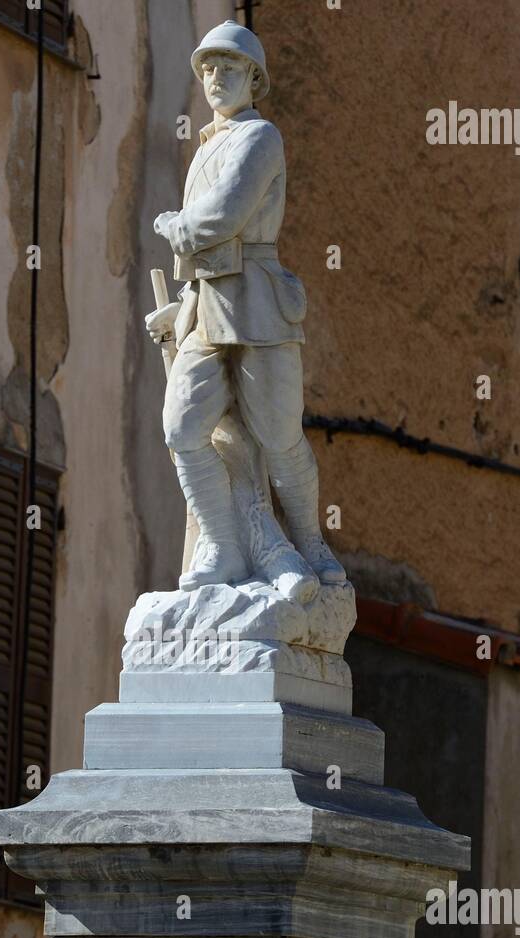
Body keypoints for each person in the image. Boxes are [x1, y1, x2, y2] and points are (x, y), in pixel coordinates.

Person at [146, 20, 345, 592]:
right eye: (208, 69)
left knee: (280, 435)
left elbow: (226, 218)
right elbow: (209, 253)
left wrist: (176, 227)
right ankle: (226, 547)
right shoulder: (205, 149)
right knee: (182, 427)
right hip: (205, 306)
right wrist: (179, 307)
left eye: (229, 68)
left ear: (254, 79)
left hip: (256, 301)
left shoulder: (261, 138)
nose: (215, 78)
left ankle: (308, 540)